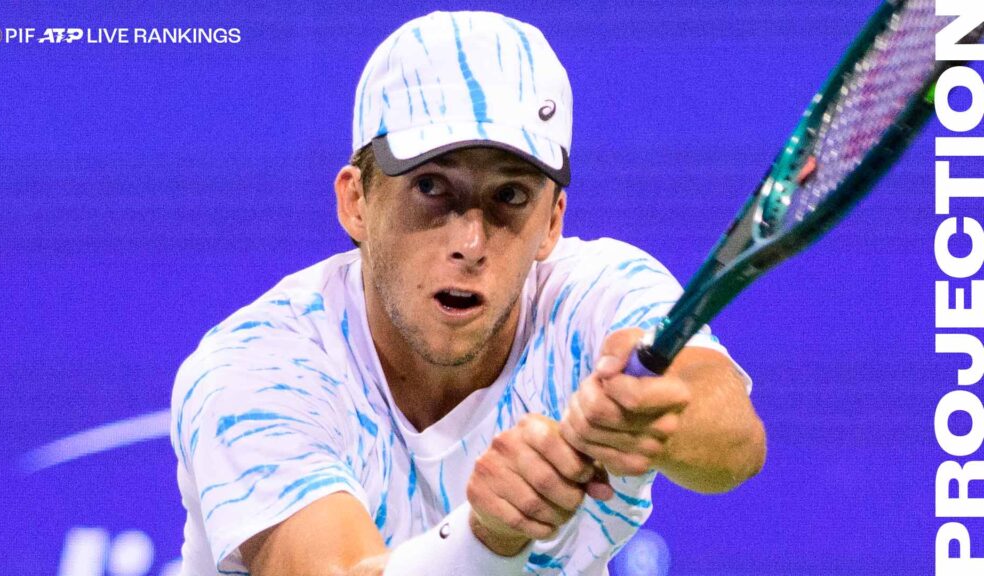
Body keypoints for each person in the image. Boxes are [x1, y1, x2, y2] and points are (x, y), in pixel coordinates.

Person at [170, 10, 765, 576]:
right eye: (431, 187)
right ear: (356, 201)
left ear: (552, 223)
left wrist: (657, 417)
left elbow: (735, 440)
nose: (471, 243)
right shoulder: (258, 367)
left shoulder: (594, 299)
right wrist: (486, 539)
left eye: (510, 196)